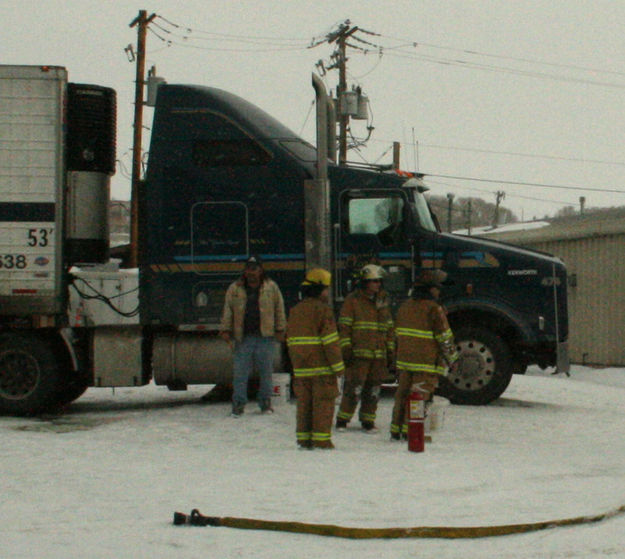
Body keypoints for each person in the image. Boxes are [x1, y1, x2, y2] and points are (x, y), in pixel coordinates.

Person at [390, 269, 459, 440]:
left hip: (405, 360)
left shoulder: (405, 306)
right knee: (419, 397)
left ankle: (396, 428)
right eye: (437, 288)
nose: (439, 291)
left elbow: (395, 334)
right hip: (425, 362)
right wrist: (452, 359)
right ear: (431, 289)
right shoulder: (433, 309)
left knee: (402, 394)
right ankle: (412, 431)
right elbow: (444, 336)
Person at [220, 255, 286, 417]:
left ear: (261, 270)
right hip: (243, 338)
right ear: (245, 270)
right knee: (240, 374)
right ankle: (238, 406)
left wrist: (280, 328)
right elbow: (228, 310)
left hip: (266, 337)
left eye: (254, 269)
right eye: (249, 269)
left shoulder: (272, 287)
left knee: (266, 373)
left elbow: (279, 309)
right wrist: (225, 329)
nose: (251, 272)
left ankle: (265, 404)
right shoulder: (235, 289)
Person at [286, 269, 345, 449]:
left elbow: (290, 340)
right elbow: (330, 343)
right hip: (321, 368)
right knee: (323, 405)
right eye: (326, 289)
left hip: (301, 369)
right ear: (319, 290)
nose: (327, 293)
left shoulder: (295, 310)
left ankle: (304, 439)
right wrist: (339, 368)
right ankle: (321, 441)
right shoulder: (323, 311)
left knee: (304, 406)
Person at [335, 264, 394, 433]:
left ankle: (368, 421)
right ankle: (342, 420)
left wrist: (390, 351)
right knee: (353, 388)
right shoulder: (352, 301)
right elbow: (344, 326)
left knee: (374, 389)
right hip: (358, 354)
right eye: (373, 281)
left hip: (378, 354)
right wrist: (346, 348)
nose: (377, 285)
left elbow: (389, 327)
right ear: (364, 282)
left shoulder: (383, 301)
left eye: (379, 281)